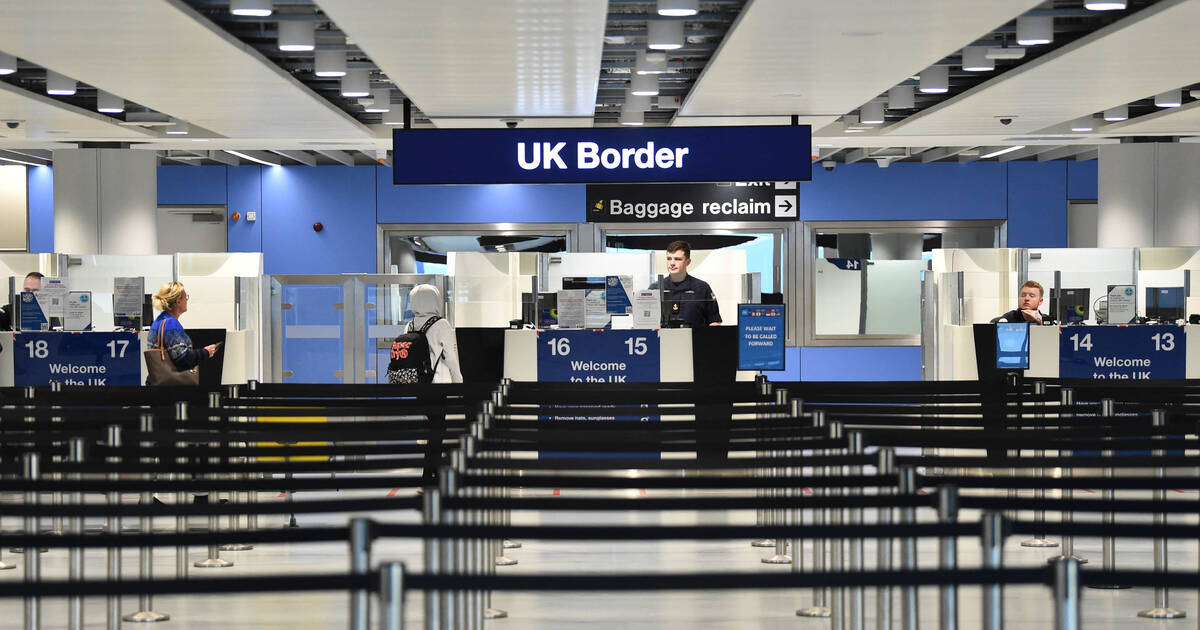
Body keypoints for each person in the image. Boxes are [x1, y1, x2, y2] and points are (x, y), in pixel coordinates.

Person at [148, 281, 218, 382]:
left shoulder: (159, 321)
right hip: (170, 388)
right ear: (178, 301)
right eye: (185, 297)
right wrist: (205, 352)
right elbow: (182, 358)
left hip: (156, 382)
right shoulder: (171, 324)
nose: (186, 300)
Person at [650, 240, 722, 328]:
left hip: (695, 340)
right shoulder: (655, 289)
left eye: (677, 259)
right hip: (663, 340)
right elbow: (646, 322)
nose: (672, 263)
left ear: (688, 262)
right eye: (669, 258)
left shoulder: (702, 288)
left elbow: (714, 322)